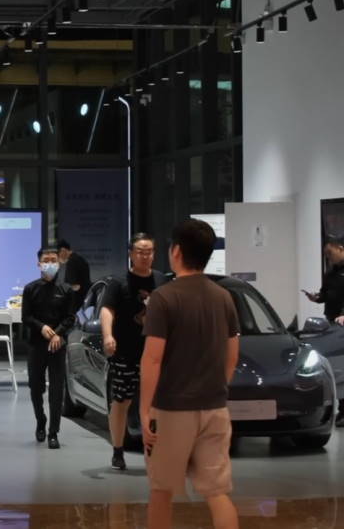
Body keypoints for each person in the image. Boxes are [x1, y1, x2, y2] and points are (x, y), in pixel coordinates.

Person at [140, 219, 240, 529]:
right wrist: (216, 389)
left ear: (176, 251)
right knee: (217, 492)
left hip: (172, 409)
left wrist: (145, 410)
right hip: (215, 407)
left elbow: (152, 359)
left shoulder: (163, 298)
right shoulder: (223, 297)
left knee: (162, 491)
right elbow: (231, 356)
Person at [101, 233, 169, 471]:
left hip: (155, 352)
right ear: (131, 254)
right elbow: (107, 310)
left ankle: (155, 449)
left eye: (149, 251)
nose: (144, 256)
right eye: (140, 251)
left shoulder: (161, 280)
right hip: (126, 351)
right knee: (122, 400)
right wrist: (108, 336)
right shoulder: (118, 282)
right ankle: (117, 450)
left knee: (157, 402)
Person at [22, 246, 77, 449]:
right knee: (35, 387)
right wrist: (42, 327)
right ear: (39, 264)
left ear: (59, 262)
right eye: (46, 260)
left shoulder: (67, 290)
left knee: (56, 389)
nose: (50, 263)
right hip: (36, 344)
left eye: (54, 260)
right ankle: (41, 420)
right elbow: (26, 317)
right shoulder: (30, 289)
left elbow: (70, 317)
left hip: (57, 345)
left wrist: (58, 333)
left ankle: (53, 432)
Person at [302, 234, 344, 427]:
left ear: (341, 249)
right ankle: (341, 409)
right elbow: (325, 294)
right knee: (336, 367)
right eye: (326, 255)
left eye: (330, 254)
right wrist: (316, 298)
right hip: (332, 322)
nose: (329, 258)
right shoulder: (330, 273)